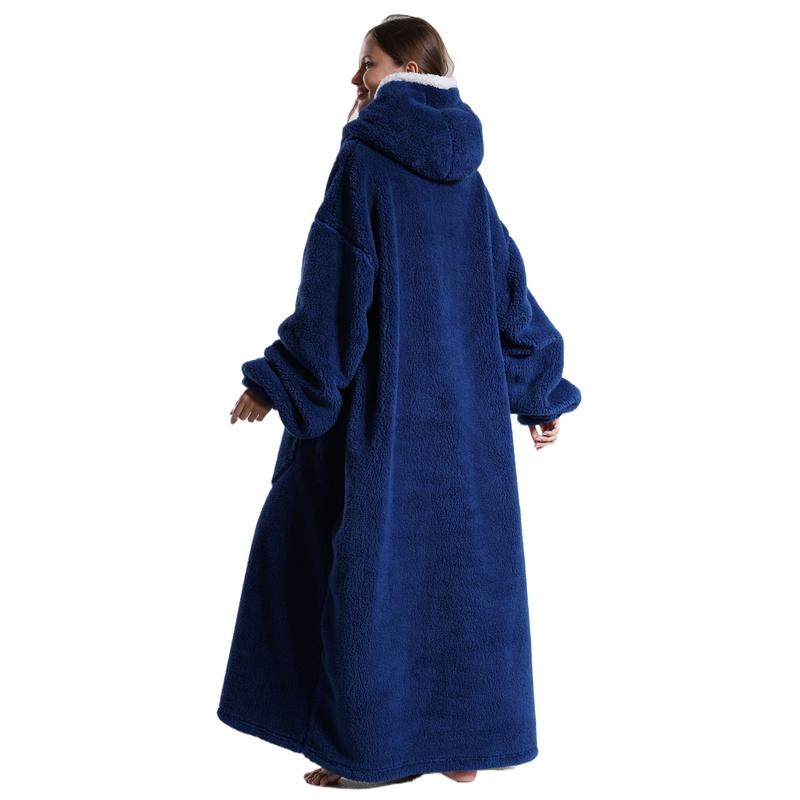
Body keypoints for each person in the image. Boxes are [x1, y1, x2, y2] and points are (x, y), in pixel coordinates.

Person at [218, 14, 582, 788]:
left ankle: (370, 755)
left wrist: (275, 382)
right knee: (461, 581)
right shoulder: (469, 183)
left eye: (370, 64)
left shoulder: (365, 164)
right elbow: (511, 297)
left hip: (387, 419)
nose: (357, 79)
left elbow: (334, 297)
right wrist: (538, 391)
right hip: (469, 433)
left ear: (410, 72)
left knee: (366, 582)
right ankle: (462, 751)